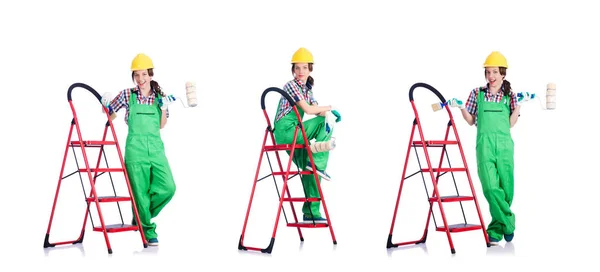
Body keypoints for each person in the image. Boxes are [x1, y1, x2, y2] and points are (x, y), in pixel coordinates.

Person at [446, 51, 533, 245]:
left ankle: (495, 228)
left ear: (503, 74)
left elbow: (511, 123)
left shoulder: (509, 95)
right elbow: (470, 121)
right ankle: (508, 223)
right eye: (488, 72)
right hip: (484, 146)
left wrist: (518, 105)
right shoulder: (477, 94)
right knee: (491, 188)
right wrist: (461, 107)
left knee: (506, 189)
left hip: (504, 146)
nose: (491, 76)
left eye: (495, 72)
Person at [100, 53, 177, 246]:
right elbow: (111, 115)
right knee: (140, 193)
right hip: (135, 150)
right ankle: (148, 230)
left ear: (151, 75)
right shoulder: (128, 94)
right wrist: (105, 104)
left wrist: (165, 108)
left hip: (157, 149)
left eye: (144, 74)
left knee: (168, 187)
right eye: (137, 75)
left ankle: (141, 216)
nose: (140, 79)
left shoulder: (160, 96)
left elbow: (162, 125)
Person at [272, 47, 341, 221]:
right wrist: (330, 109)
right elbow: (309, 110)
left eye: (304, 67)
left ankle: (311, 211)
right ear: (293, 70)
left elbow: (317, 110)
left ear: (310, 68)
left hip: (296, 131)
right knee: (324, 123)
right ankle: (316, 162)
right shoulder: (291, 85)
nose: (300, 71)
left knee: (312, 172)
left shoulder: (307, 89)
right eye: (297, 68)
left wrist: (329, 115)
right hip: (287, 131)